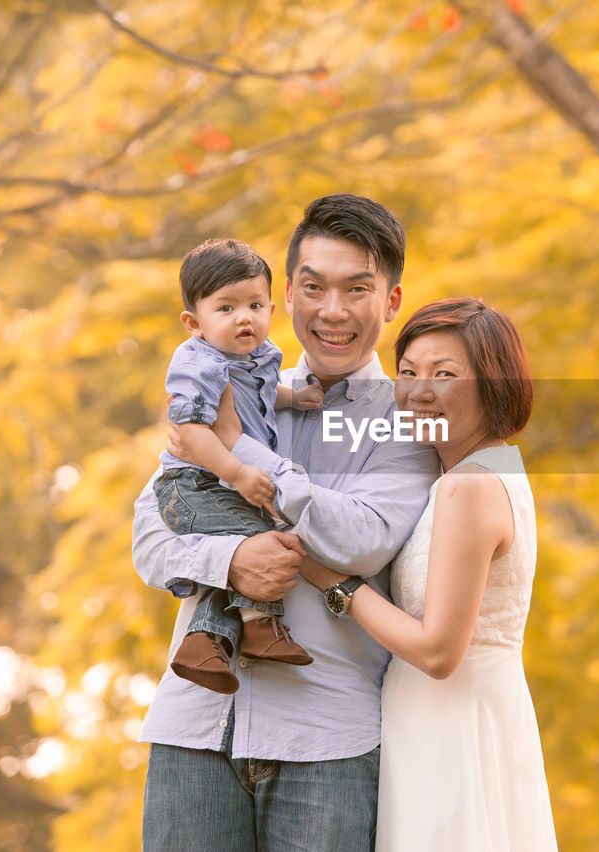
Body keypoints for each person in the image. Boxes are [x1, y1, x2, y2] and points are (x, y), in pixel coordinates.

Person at [132, 194, 440, 851]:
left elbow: (361, 539)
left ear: (390, 301)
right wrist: (229, 563)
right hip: (194, 728)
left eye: (357, 288)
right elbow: (151, 538)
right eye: (313, 287)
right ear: (287, 298)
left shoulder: (408, 420)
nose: (333, 310)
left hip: (326, 741)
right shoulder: (228, 380)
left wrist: (240, 453)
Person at [298, 297, 559, 851]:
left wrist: (332, 582)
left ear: (494, 385)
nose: (418, 391)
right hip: (466, 714)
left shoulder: (469, 487)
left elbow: (440, 652)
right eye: (409, 372)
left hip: (451, 729)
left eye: (446, 375)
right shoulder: (490, 471)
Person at [156, 237, 325, 694]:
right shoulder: (199, 362)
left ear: (272, 308)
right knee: (256, 542)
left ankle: (202, 644)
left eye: (254, 304)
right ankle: (258, 628)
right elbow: (190, 432)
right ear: (194, 322)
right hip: (191, 485)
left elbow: (262, 398)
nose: (244, 317)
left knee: (240, 547)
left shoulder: (261, 358)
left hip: (217, 484)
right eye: (225, 308)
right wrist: (234, 472)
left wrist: (294, 397)